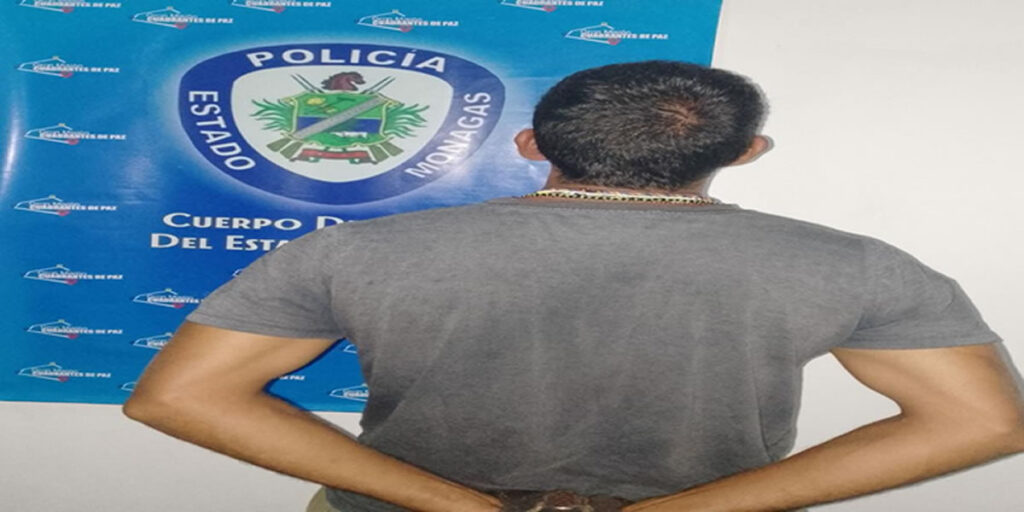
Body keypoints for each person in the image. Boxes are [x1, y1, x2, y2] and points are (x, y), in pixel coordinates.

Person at [124, 61, 1024, 512]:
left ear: (531, 144)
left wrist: (460, 507)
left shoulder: (352, 251)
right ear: (747, 151)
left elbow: (178, 398)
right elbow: (981, 422)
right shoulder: (853, 265)